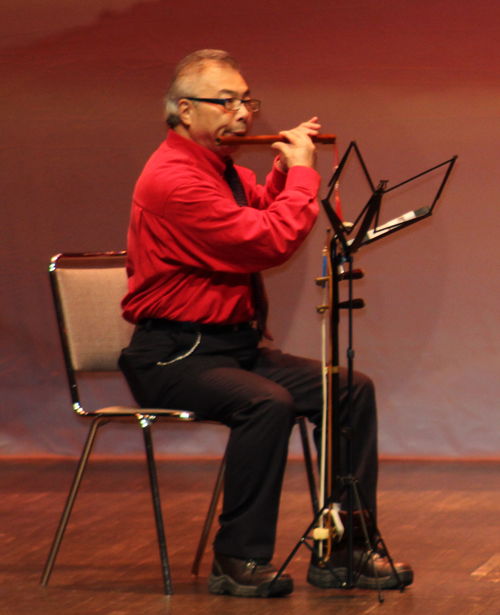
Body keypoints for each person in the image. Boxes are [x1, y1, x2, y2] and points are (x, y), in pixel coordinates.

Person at [119, 49, 413, 598]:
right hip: (175, 354)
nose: (243, 113)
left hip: (234, 350)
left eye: (247, 100)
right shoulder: (174, 180)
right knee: (265, 403)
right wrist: (302, 173)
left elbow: (263, 211)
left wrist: (281, 173)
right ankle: (237, 560)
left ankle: (344, 549)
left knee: (348, 390)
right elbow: (265, 242)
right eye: (225, 102)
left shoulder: (220, 170)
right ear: (185, 111)